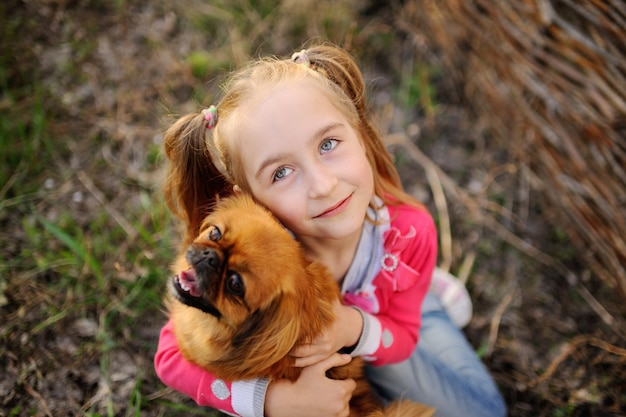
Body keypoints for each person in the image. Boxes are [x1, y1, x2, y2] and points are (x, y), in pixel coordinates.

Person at [154, 42, 506, 417]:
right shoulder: (257, 250)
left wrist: (353, 328)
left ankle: (429, 291)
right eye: (281, 172)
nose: (322, 185)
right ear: (251, 199)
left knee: (484, 411)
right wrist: (270, 401)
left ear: (359, 132)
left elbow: (401, 338)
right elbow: (171, 356)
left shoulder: (409, 232)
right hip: (335, 348)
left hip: (390, 315)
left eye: (328, 143)